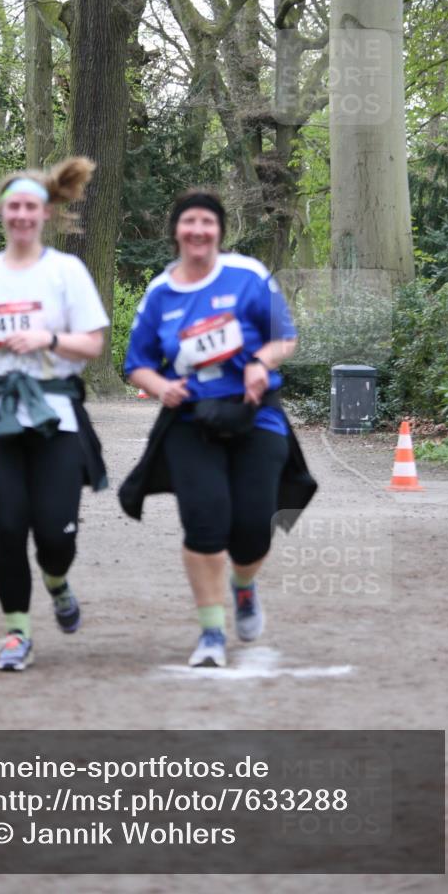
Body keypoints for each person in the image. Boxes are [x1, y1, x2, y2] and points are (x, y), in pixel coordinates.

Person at [122, 188, 315, 669]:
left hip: (256, 412)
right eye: (189, 222)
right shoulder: (160, 292)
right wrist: (162, 386)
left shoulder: (248, 276)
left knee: (253, 528)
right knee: (206, 523)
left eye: (208, 222)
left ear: (220, 232)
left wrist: (259, 363)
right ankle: (211, 631)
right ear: (176, 232)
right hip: (191, 420)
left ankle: (244, 586)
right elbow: (137, 364)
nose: (198, 230)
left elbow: (284, 338)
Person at [0, 158, 109, 672]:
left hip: (55, 416)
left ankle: (57, 582)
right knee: (8, 529)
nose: (21, 214)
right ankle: (17, 632)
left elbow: (94, 345)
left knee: (56, 536)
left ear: (45, 213)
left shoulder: (66, 273)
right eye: (13, 206)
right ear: (2, 212)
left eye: (30, 207)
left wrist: (47, 338)